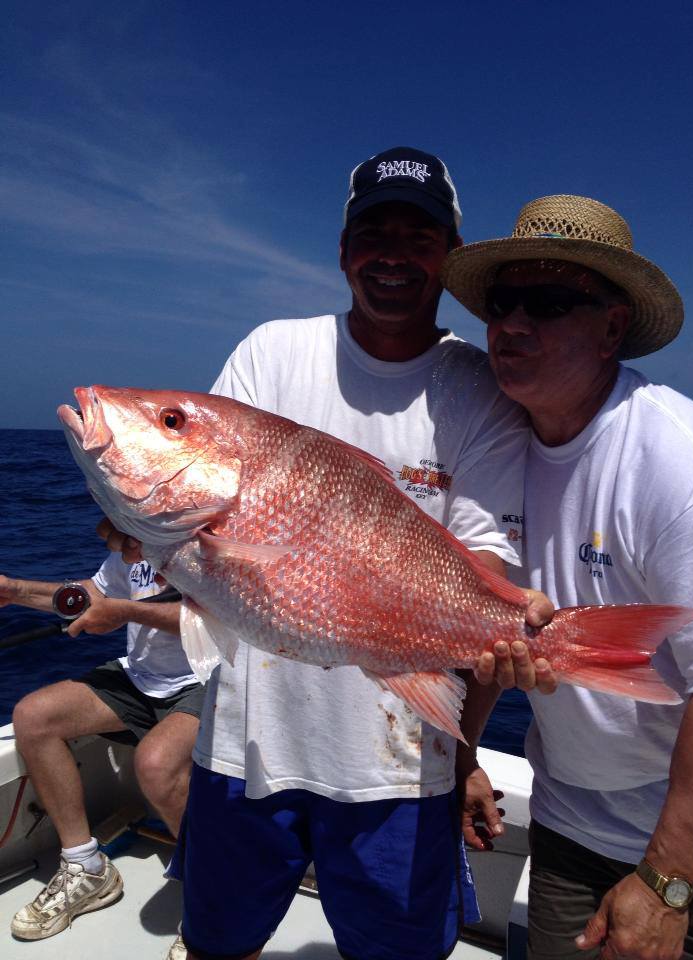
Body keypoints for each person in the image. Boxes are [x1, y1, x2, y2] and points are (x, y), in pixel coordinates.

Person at [103, 146, 556, 960]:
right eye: (372, 232)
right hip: (246, 750)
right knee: (213, 942)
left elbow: (489, 578)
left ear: (449, 257)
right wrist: (142, 526)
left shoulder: (476, 389)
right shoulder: (272, 353)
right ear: (344, 250)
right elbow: (208, 560)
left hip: (398, 771)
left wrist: (463, 754)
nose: (392, 254)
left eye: (417, 237)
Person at [442, 193, 693, 960]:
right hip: (567, 824)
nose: (514, 324)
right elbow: (497, 626)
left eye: (551, 302)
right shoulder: (500, 443)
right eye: (503, 302)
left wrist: (666, 882)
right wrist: (464, 754)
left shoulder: (676, 460)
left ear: (612, 328)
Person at [3, 553, 203, 941]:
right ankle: (86, 867)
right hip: (141, 677)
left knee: (157, 765)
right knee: (34, 717)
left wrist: (125, 612)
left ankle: (214, 893)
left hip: (208, 678)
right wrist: (17, 590)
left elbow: (211, 620)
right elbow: (93, 593)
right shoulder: (135, 545)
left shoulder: (205, 547)